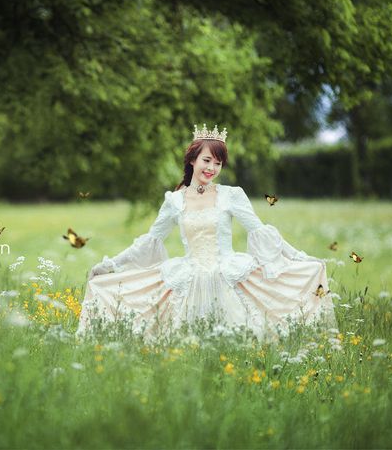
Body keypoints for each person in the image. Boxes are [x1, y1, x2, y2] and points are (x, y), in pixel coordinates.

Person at [75, 123, 338, 343]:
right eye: (207, 160)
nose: (212, 168)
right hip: (188, 278)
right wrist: (110, 265)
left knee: (237, 340)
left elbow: (261, 232)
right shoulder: (174, 201)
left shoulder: (231, 195)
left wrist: (301, 259)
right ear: (192, 160)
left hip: (228, 275)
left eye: (218, 163)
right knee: (187, 344)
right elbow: (149, 242)